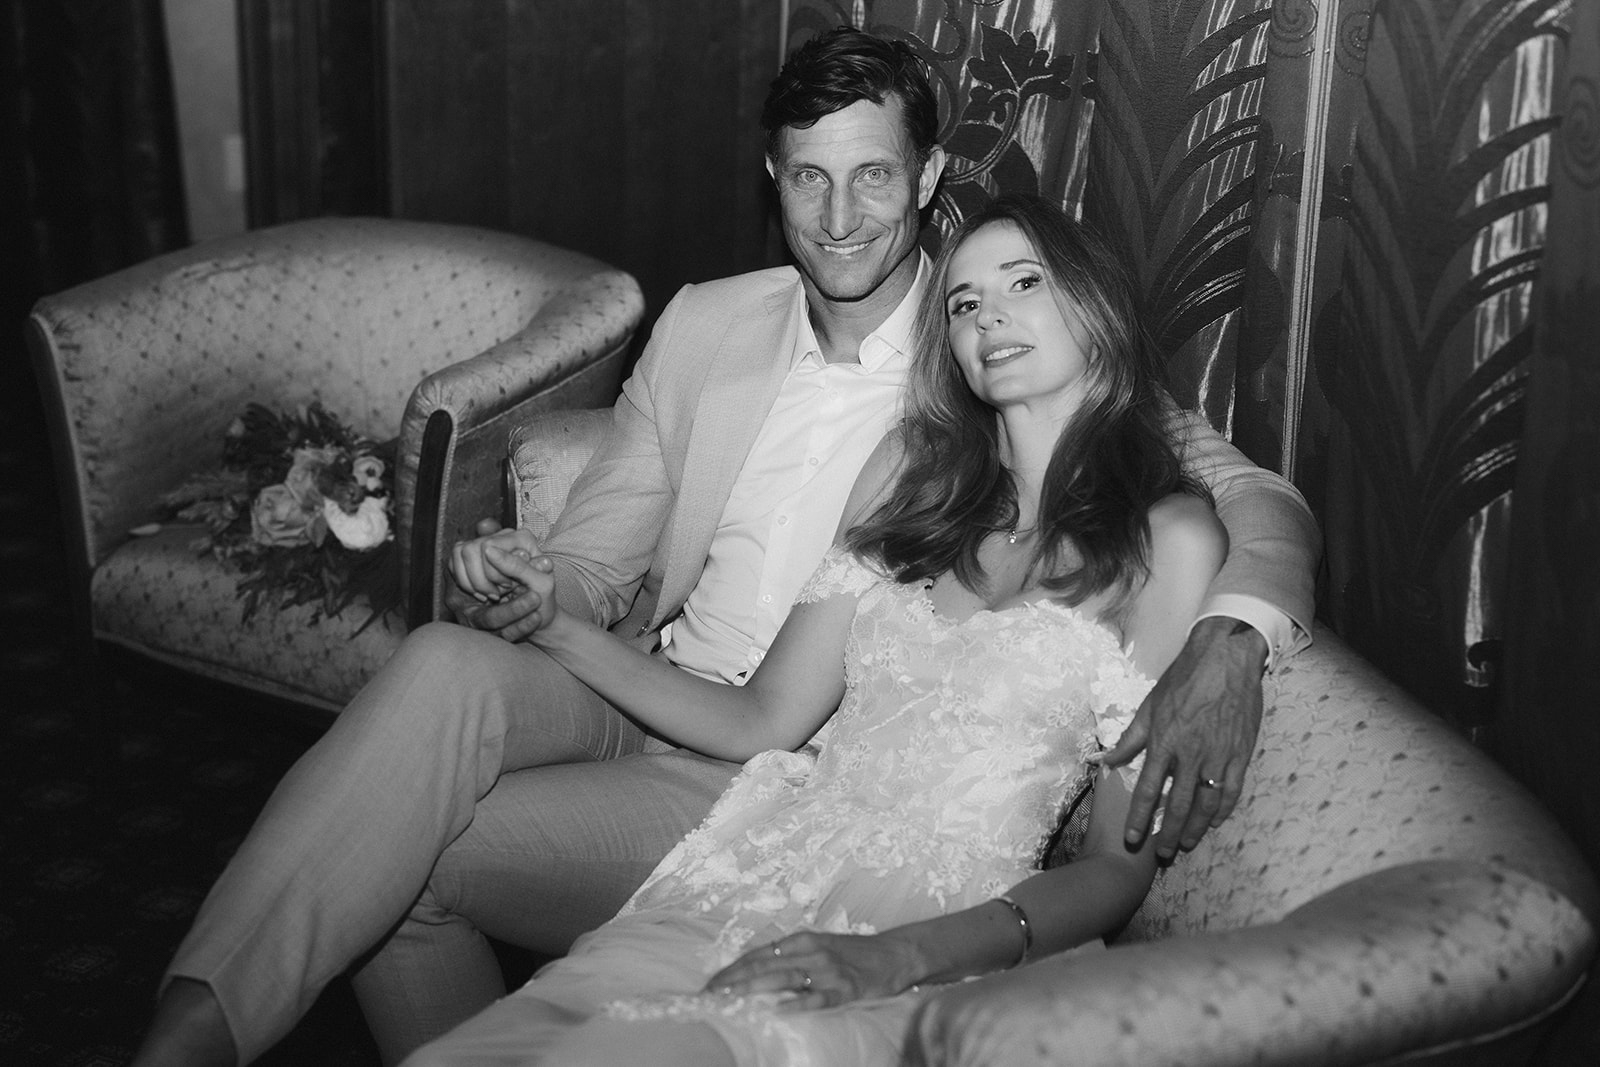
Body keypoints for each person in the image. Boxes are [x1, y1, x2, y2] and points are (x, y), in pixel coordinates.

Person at [131, 27, 1316, 1067]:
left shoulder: (996, 352)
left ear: (925, 178)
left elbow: (1254, 499)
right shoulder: (704, 321)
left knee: (397, 866)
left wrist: (1235, 635)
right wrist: (539, 585)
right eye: (810, 179)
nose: (839, 216)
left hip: (776, 766)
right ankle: (192, 1027)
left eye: (871, 177)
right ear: (773, 179)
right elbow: (598, 564)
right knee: (442, 661)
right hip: (653, 684)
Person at [401, 192, 1223, 1066]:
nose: (991, 317)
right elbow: (761, 720)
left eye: (1024, 282)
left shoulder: (1167, 540)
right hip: (766, 859)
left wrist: (897, 954)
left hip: (948, 925)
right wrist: (554, 626)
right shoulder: (913, 473)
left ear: (1094, 306)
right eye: (965, 302)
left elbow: (1117, 867)